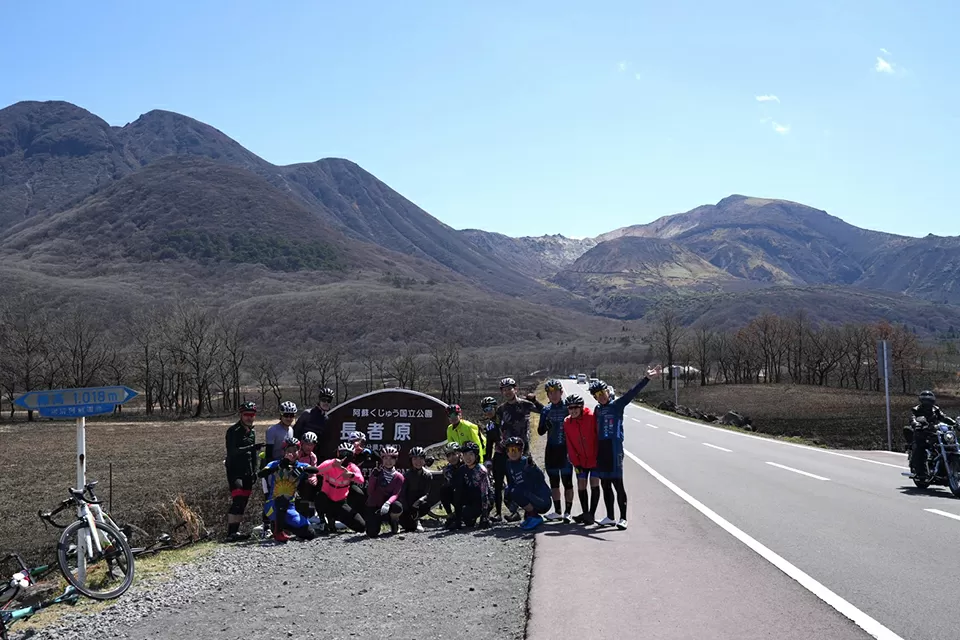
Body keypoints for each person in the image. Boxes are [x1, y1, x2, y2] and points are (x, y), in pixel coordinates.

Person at [591, 369, 659, 530]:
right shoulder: (597, 410)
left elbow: (631, 393)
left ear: (607, 391)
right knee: (605, 485)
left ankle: (623, 518)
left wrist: (646, 378)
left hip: (615, 449)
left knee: (617, 484)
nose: (600, 396)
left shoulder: (617, 405)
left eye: (602, 392)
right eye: (596, 395)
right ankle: (610, 516)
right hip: (602, 449)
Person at [492, 377, 543, 520]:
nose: (507, 392)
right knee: (512, 482)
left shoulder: (525, 404)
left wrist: (535, 401)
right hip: (508, 452)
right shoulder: (501, 409)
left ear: (516, 389)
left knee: (527, 481)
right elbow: (497, 429)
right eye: (504, 389)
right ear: (502, 392)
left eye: (510, 388)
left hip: (524, 449)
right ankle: (515, 512)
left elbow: (544, 411)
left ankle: (531, 511)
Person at [258, 437, 319, 542]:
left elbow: (315, 470)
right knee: (283, 498)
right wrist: (279, 467)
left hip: (290, 507)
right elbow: (261, 474)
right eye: (289, 451)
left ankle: (279, 527)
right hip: (272, 505)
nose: (292, 453)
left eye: (295, 450)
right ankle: (278, 532)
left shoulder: (300, 465)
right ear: (284, 452)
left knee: (310, 534)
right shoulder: (275, 464)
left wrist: (302, 469)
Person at [224, 401, 266, 542]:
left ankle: (236, 532)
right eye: (246, 415)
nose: (249, 417)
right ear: (241, 415)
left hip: (248, 471)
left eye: (252, 415)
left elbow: (253, 455)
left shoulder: (252, 431)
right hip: (235, 470)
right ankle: (230, 533)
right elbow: (232, 452)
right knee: (237, 499)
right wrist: (252, 447)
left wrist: (255, 470)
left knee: (243, 502)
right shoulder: (233, 431)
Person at [538, 379, 573, 522]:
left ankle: (568, 512)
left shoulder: (568, 407)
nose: (553, 395)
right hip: (551, 449)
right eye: (550, 393)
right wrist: (546, 425)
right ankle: (558, 511)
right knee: (554, 482)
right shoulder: (546, 410)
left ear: (561, 392)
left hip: (565, 450)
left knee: (567, 482)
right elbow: (540, 431)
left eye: (556, 392)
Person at [562, 393, 600, 524]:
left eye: (575, 408)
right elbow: (569, 444)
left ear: (581, 407)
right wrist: (575, 461)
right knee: (581, 484)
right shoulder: (567, 422)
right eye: (570, 408)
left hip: (594, 458)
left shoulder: (591, 417)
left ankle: (591, 514)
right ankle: (585, 513)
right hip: (579, 460)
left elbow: (598, 436)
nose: (573, 411)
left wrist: (600, 455)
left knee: (594, 483)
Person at [503, 436, 552, 531]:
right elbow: (512, 482)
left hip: (542, 500)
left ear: (521, 451)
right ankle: (530, 515)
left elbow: (540, 478)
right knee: (509, 490)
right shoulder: (509, 464)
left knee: (517, 491)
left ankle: (535, 516)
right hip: (528, 495)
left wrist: (533, 468)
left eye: (516, 449)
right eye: (510, 450)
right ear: (507, 452)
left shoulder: (526, 462)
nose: (513, 453)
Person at [315, 443, 366, 534]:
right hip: (327, 500)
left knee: (361, 526)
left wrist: (351, 475)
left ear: (353, 455)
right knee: (320, 497)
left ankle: (335, 518)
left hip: (341, 503)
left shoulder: (352, 467)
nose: (345, 457)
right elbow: (317, 471)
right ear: (338, 453)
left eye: (348, 454)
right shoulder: (330, 462)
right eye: (343, 453)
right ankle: (324, 521)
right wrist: (332, 465)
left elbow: (361, 480)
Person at [907, 390, 958, 479]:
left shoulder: (935, 409)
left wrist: (954, 423)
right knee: (920, 448)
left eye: (929, 400)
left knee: (949, 444)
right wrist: (917, 424)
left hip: (934, 431)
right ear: (921, 400)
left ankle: (948, 466)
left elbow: (943, 418)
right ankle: (920, 471)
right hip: (921, 432)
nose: (927, 402)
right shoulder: (916, 409)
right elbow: (912, 419)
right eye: (925, 400)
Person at [364, 444, 405, 537]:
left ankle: (394, 521)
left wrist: (388, 503)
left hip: (388, 505)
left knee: (397, 506)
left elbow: (396, 493)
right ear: (382, 459)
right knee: (372, 533)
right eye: (385, 458)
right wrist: (373, 477)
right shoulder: (377, 473)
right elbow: (370, 492)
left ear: (395, 460)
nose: (388, 461)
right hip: (375, 505)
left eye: (391, 458)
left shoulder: (399, 477)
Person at [451, 441, 491, 529]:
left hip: (482, 498)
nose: (468, 458)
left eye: (471, 455)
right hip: (470, 498)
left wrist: (485, 515)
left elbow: (485, 494)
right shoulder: (462, 469)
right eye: (465, 455)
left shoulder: (481, 471)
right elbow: (459, 491)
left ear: (476, 456)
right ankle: (458, 518)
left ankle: (483, 516)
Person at [399, 446, 434, 533]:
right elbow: (402, 495)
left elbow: (427, 493)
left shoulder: (428, 475)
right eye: (415, 459)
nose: (418, 462)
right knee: (409, 527)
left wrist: (417, 503)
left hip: (418, 502)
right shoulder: (406, 476)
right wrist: (408, 510)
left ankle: (417, 519)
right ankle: (406, 521)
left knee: (426, 505)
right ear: (411, 460)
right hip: (407, 504)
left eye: (421, 458)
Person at [295, 431, 320, 519]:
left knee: (311, 484)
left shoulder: (313, 457)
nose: (309, 447)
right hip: (293, 479)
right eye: (306, 444)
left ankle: (311, 511)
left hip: (304, 479)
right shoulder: (296, 454)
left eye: (311, 445)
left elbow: (313, 472)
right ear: (302, 444)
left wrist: (314, 478)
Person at [440, 442, 464, 528]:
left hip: (471, 496)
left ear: (460, 453)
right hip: (457, 497)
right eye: (448, 455)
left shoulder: (467, 464)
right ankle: (451, 515)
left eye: (454, 454)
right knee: (444, 488)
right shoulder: (447, 469)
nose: (452, 458)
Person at [479, 396, 500, 464]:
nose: (488, 411)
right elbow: (489, 445)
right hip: (500, 452)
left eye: (490, 408)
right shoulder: (489, 426)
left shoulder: (505, 418)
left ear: (495, 407)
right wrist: (488, 459)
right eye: (485, 410)